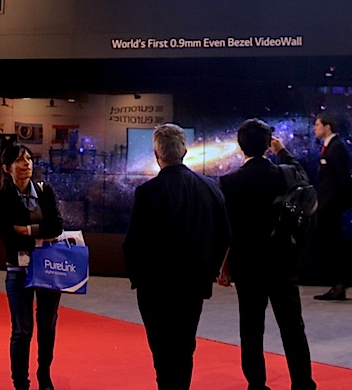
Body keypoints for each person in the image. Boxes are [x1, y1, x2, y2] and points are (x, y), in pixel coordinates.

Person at [123, 123, 231, 390]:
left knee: (162, 351)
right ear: (185, 151)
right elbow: (224, 236)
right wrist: (209, 271)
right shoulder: (210, 188)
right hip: (194, 285)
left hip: (155, 288)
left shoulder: (147, 192)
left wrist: (138, 279)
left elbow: (134, 243)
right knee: (185, 347)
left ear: (157, 154)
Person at [218, 119, 316, 390]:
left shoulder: (229, 182)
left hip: (247, 264)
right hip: (282, 260)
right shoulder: (284, 174)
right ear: (267, 144)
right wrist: (282, 151)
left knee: (251, 328)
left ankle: (257, 385)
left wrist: (225, 264)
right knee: (292, 327)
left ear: (241, 146)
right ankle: (303, 384)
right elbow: (303, 176)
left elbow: (228, 230)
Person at [0, 145, 64, 390]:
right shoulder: (1, 197)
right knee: (22, 330)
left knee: (47, 324)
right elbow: (7, 237)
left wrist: (26, 230)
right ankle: (21, 382)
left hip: (48, 267)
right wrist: (40, 234)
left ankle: (44, 373)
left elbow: (56, 226)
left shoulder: (45, 190)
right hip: (18, 269)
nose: (26, 163)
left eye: (29, 159)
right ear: (7, 168)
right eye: (20, 160)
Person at [310, 114, 352, 301]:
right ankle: (339, 282)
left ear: (327, 126)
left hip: (331, 205)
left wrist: (349, 200)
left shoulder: (337, 147)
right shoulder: (330, 147)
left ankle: (341, 281)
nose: (314, 128)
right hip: (327, 203)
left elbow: (343, 177)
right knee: (328, 242)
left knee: (328, 242)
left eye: (317, 124)